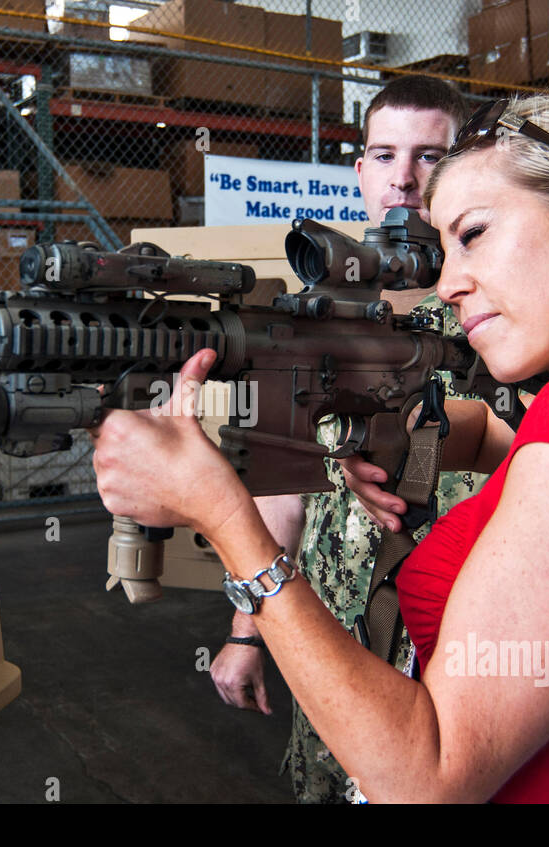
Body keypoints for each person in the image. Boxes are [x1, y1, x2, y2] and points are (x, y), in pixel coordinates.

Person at [93, 96, 549, 802]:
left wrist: (224, 518)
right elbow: (545, 467)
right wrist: (412, 436)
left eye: (474, 234)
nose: (449, 281)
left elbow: (429, 775)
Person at [207, 75, 489, 804]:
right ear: (359, 172)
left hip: (467, 653)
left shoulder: (504, 312)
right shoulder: (319, 313)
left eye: (431, 156)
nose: (404, 179)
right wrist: (246, 631)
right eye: (384, 154)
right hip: (332, 642)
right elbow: (283, 484)